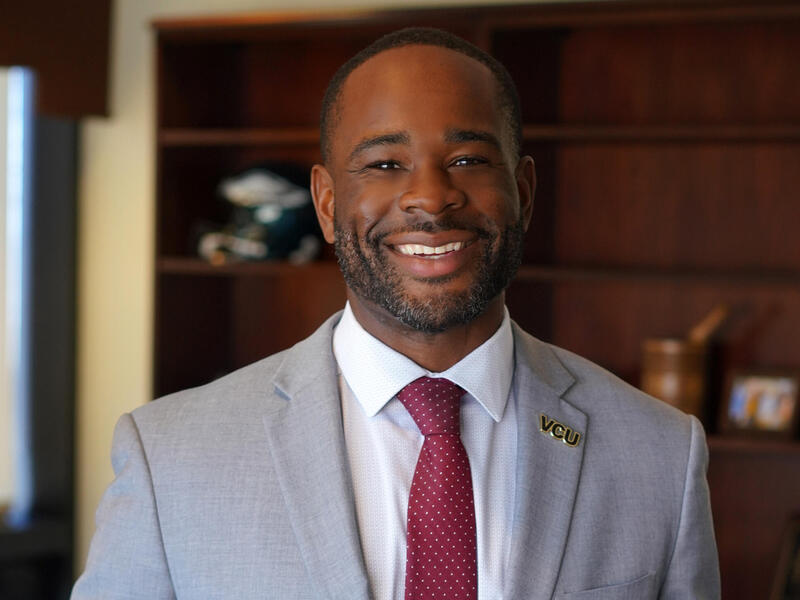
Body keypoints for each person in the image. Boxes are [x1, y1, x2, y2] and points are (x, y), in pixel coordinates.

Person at [72, 27, 720, 599]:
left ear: (522, 193)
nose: (431, 199)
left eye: (467, 159)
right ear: (326, 205)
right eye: (384, 164)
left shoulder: (660, 454)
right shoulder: (171, 458)